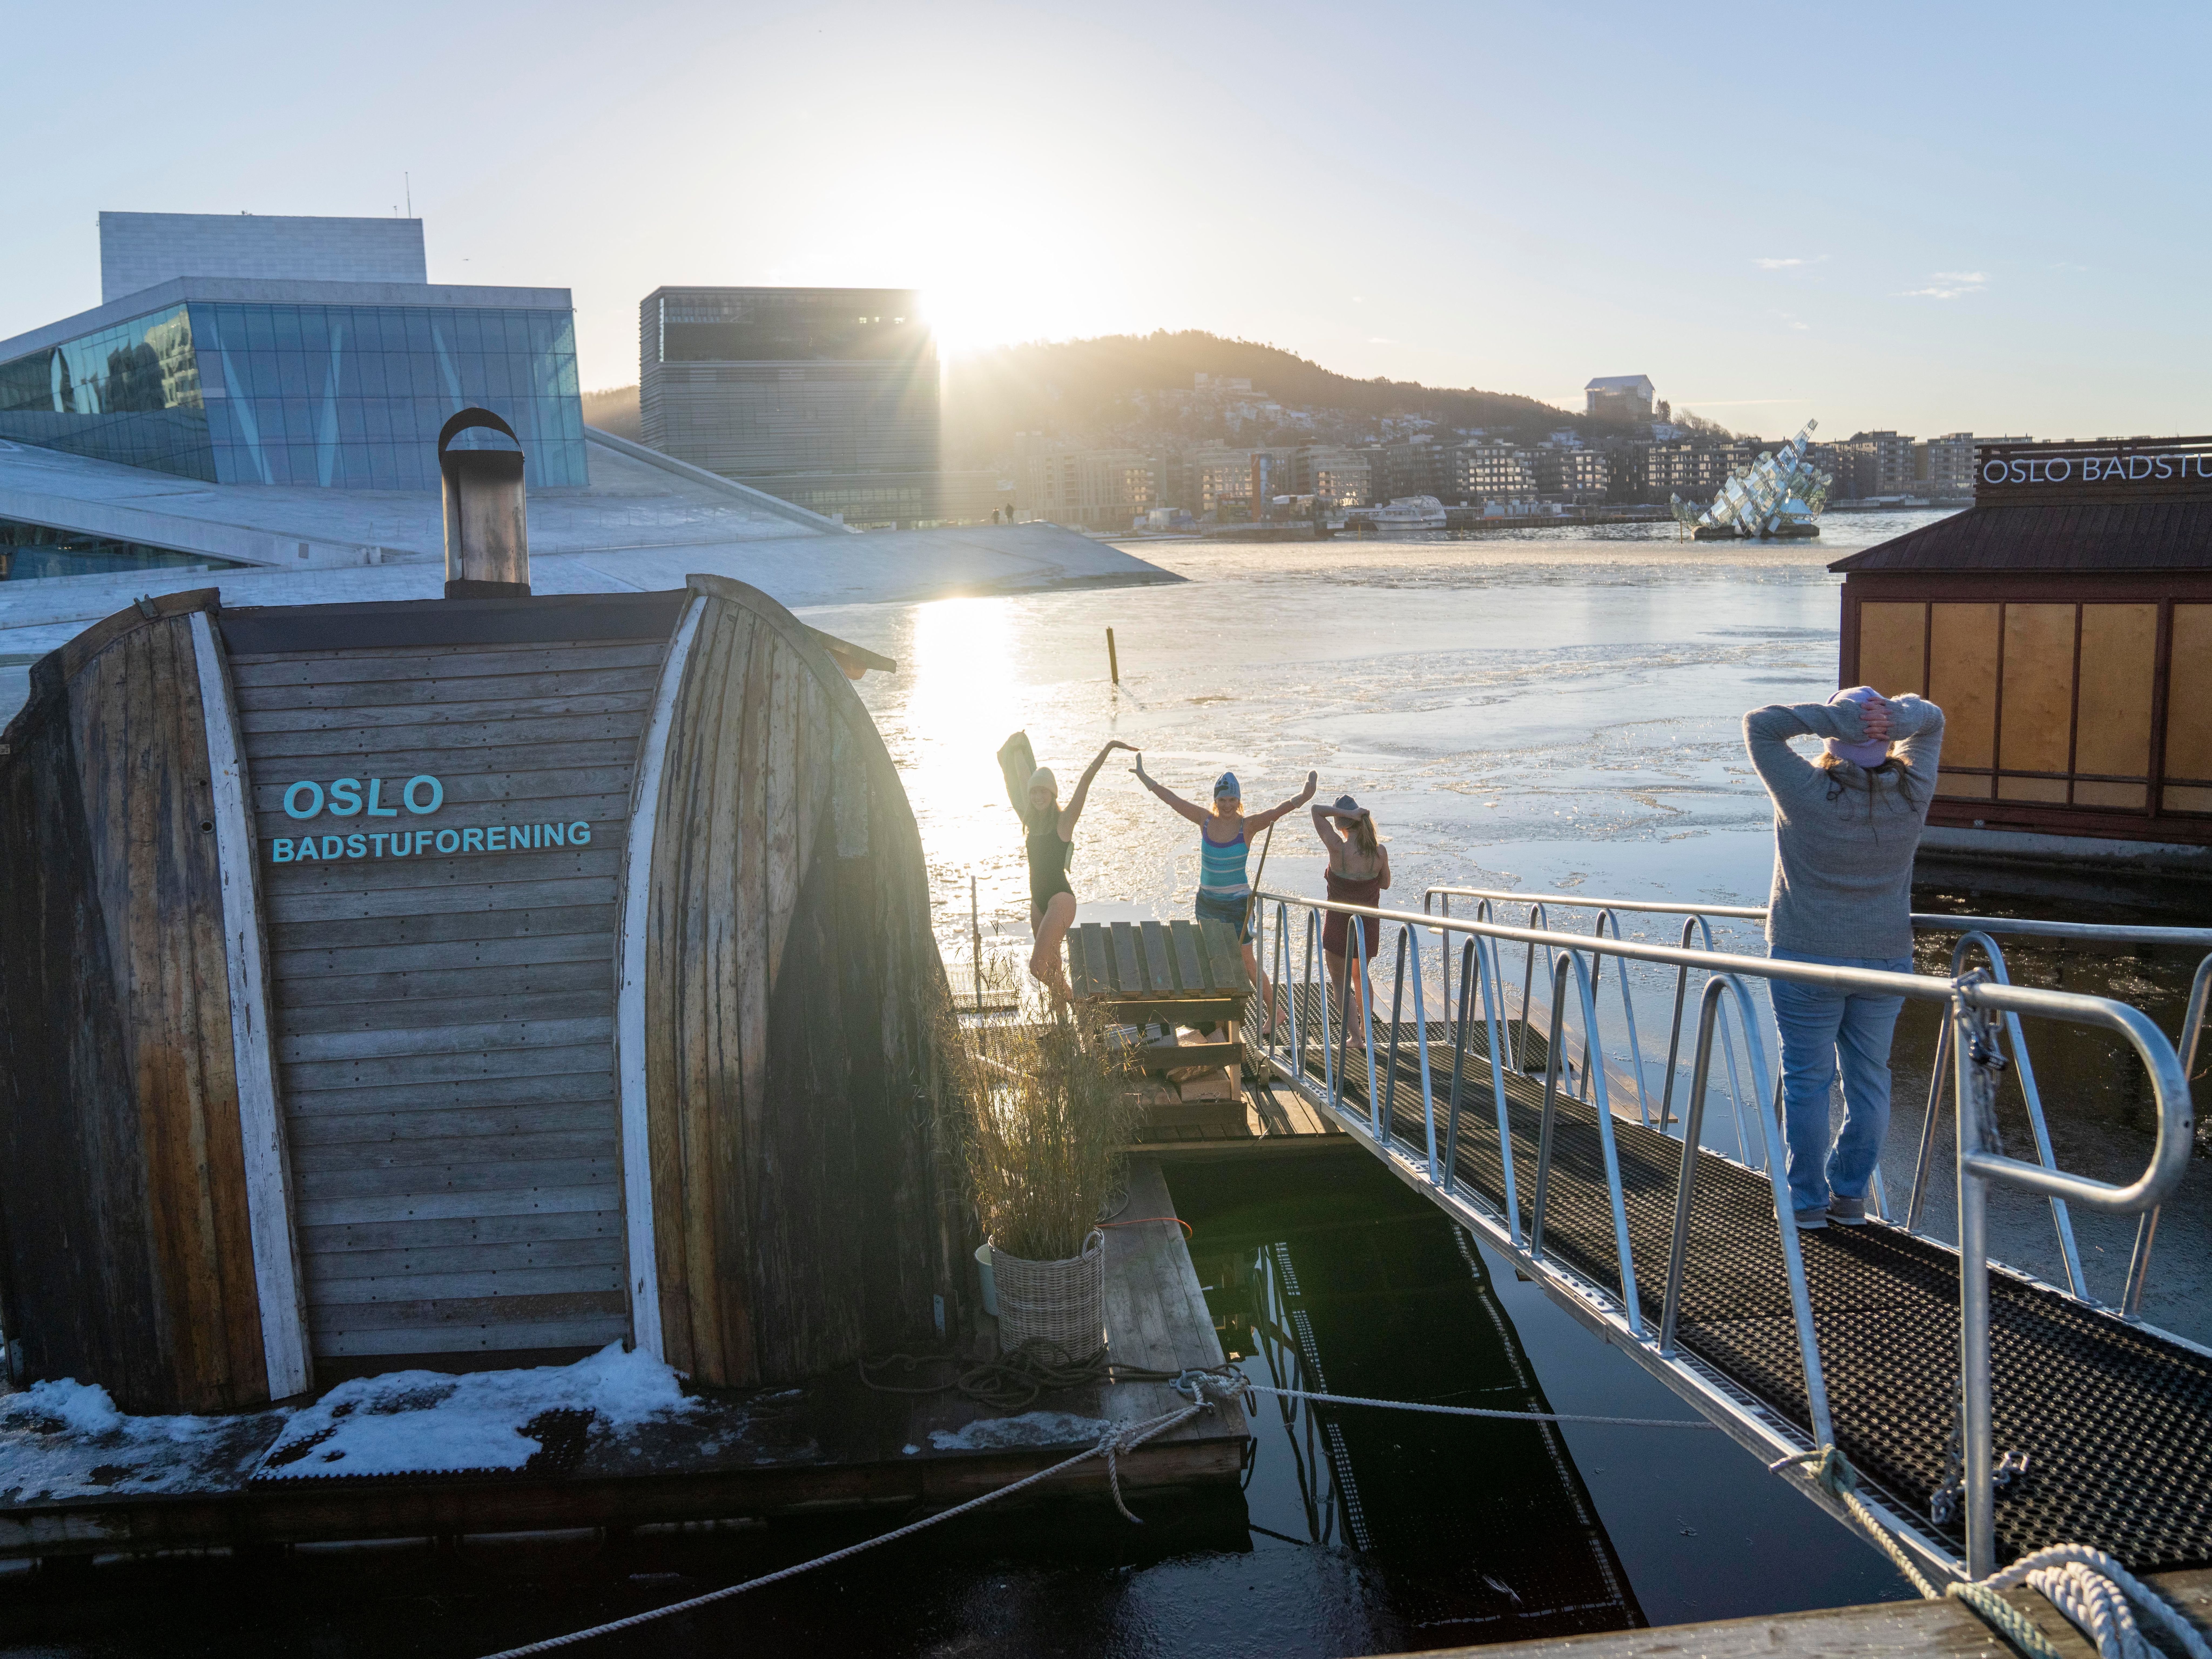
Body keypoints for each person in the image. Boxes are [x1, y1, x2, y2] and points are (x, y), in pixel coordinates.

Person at [1744, 684, 1944, 1231]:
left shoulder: (1804, 788)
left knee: (1807, 1081)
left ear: (1835, 738)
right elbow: (1933, 721)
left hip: (1805, 957)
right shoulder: (1913, 789)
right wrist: (1896, 717)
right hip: (1884, 960)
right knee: (1869, 1081)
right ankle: (1850, 1196)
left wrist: (1835, 717)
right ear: (1883, 742)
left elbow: (1760, 724)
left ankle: (1806, 1203)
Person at [1132, 757, 1316, 1021]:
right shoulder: (1204, 821)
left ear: (1238, 800)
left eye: (1232, 800)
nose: (1227, 805)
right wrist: (1144, 777)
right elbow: (1173, 801)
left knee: (1245, 962)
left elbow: (1278, 811)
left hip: (1238, 906)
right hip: (1207, 904)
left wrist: (1305, 795)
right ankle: (1220, 1018)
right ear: (1215, 801)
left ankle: (1276, 1012)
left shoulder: (1247, 826)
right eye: (1222, 800)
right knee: (1214, 960)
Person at [1001, 736, 1132, 1004]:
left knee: (1038, 967)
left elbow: (1085, 781)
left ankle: (1078, 1005)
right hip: (1038, 901)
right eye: (1034, 792)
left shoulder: (1064, 822)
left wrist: (1107, 748)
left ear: (1053, 794)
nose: (1038, 796)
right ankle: (1064, 1030)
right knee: (1052, 967)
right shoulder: (1029, 819)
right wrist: (1016, 750)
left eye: (1044, 792)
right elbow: (1023, 775)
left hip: (1060, 899)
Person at [1310, 793, 1391, 1027]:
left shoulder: (1337, 849)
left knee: (1340, 983)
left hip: (1338, 925)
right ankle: (1366, 1031)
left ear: (1341, 824)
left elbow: (1316, 810)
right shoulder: (1379, 852)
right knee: (1360, 976)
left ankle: (1355, 1037)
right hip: (1366, 926)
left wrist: (1346, 814)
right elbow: (1385, 884)